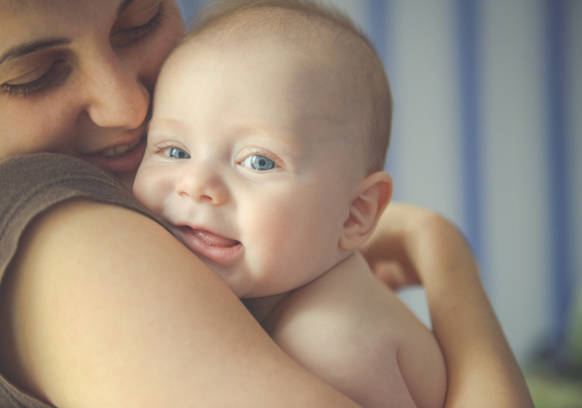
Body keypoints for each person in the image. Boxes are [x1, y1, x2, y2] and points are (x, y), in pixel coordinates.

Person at [0, 0, 534, 407]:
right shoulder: (63, 236)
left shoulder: (328, 338)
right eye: (33, 76)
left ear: (356, 212)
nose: (129, 107)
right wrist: (443, 255)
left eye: (138, 21)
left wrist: (439, 250)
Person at [132, 1, 446, 407]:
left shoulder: (325, 342)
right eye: (173, 151)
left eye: (259, 161)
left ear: (356, 213)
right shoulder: (288, 293)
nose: (195, 185)